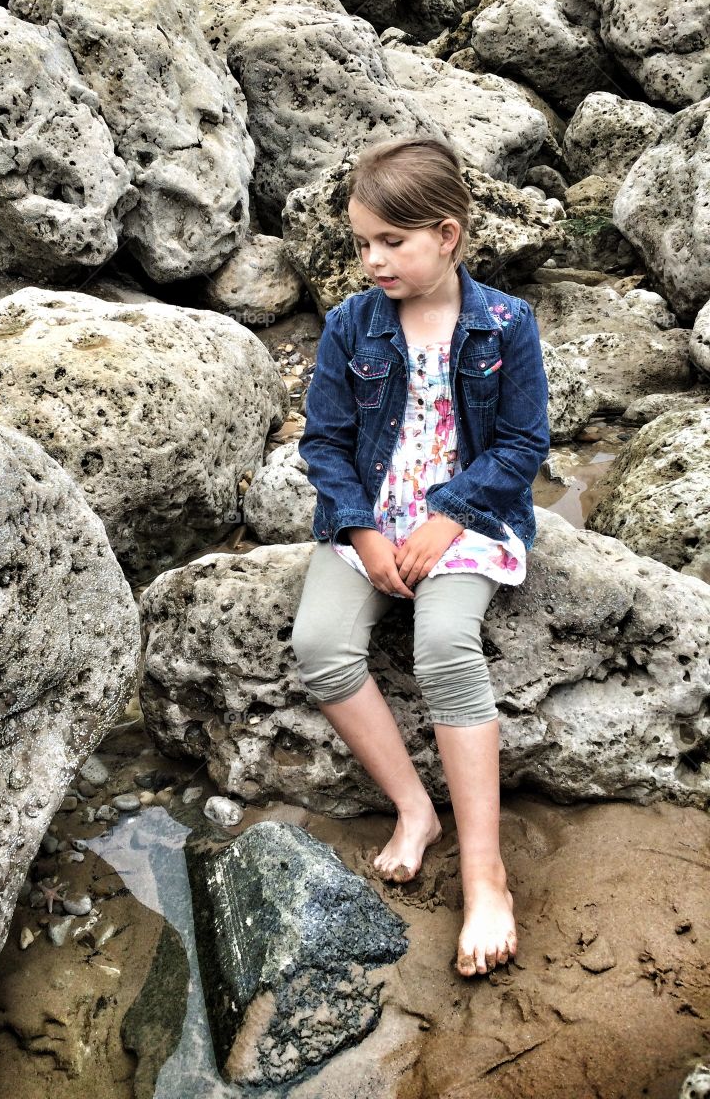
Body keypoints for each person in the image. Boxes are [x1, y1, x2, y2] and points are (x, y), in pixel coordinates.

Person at [291, 134, 551, 978]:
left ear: (448, 234)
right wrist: (362, 531)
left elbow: (521, 444)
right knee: (321, 644)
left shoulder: (507, 323)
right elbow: (325, 443)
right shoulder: (350, 325)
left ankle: (486, 876)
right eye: (362, 241)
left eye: (391, 242)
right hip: (368, 512)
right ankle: (414, 809)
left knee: (445, 645)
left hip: (466, 517)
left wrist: (449, 515)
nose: (372, 260)